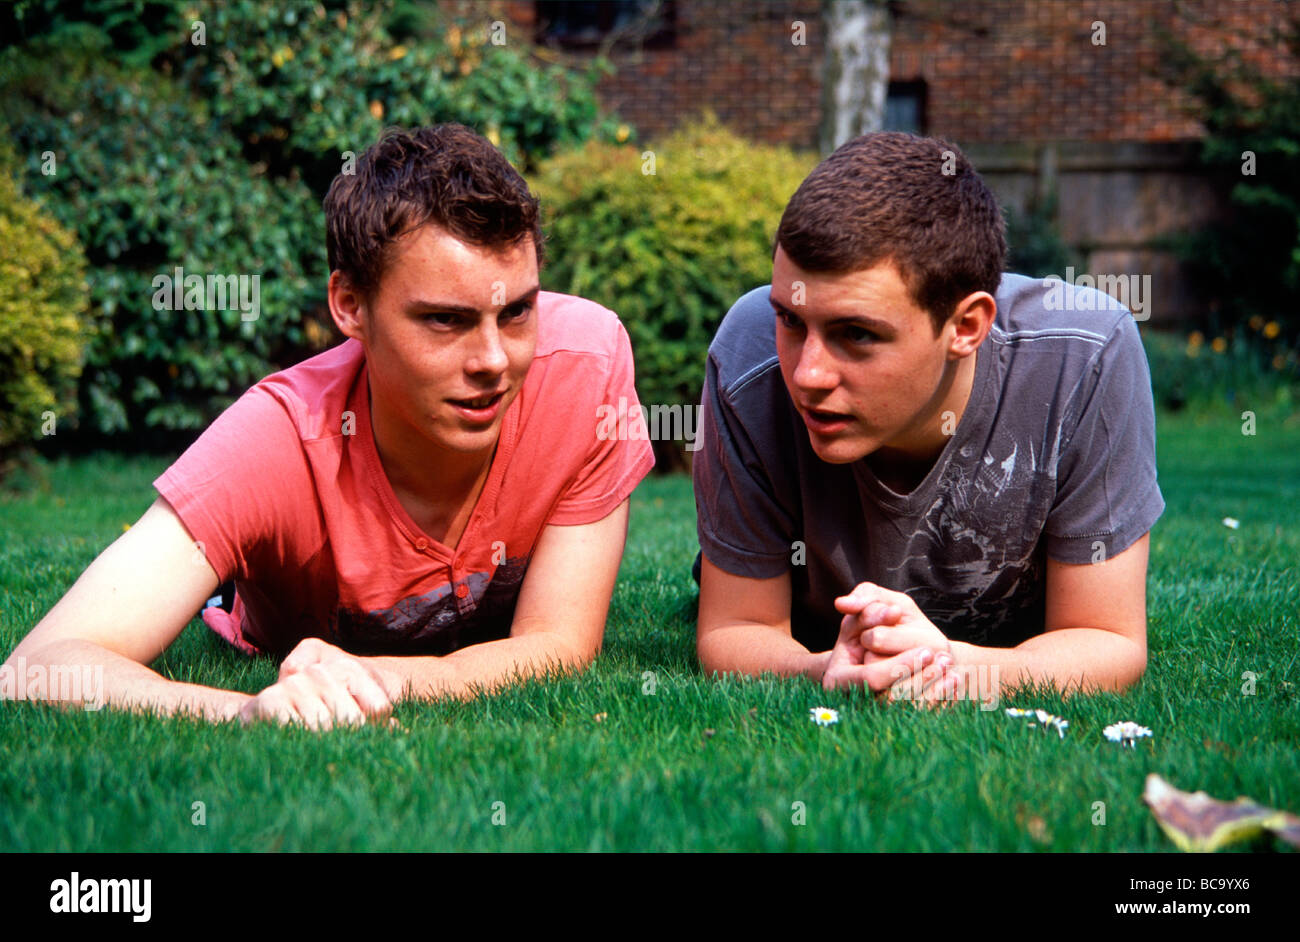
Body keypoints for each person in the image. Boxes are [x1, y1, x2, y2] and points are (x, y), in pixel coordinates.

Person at [3, 124, 654, 728]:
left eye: (515, 312)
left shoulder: (585, 366)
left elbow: (558, 643)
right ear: (349, 305)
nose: (493, 361)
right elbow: (39, 665)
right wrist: (250, 712)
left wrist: (381, 678)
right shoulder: (277, 439)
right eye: (444, 321)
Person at [692, 132, 1164, 708]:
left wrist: (946, 668)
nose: (807, 374)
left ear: (965, 327)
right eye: (791, 320)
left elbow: (1106, 638)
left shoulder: (1084, 356)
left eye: (857, 334)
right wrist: (823, 668)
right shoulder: (749, 359)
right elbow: (733, 630)